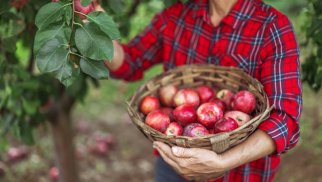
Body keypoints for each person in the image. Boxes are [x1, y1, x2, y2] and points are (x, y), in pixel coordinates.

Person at [103, 0, 303, 181]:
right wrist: (91, 15)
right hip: (174, 165)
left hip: (239, 172)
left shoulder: (272, 28)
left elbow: (284, 121)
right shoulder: (176, 16)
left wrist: (223, 162)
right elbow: (128, 62)